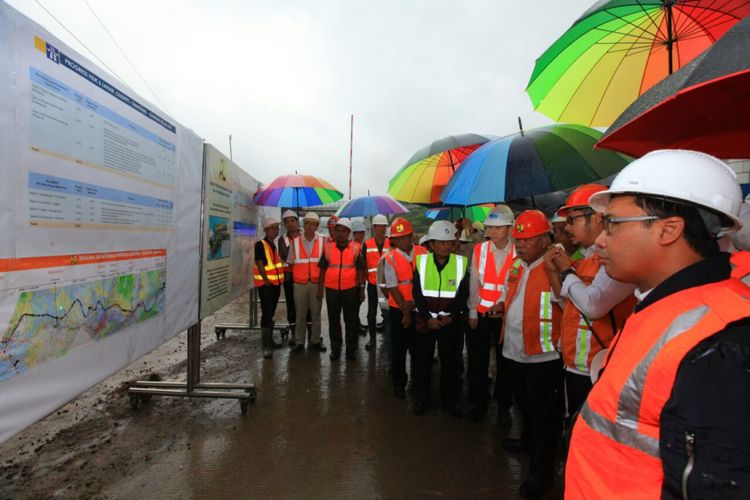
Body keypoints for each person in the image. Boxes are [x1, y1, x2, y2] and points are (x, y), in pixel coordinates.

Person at [565, 150, 750, 499]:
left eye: (612, 224)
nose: (600, 240)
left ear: (668, 229)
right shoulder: (667, 305)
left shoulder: (722, 347)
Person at [544, 184, 637, 423]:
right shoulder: (586, 258)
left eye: (572, 219)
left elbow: (593, 306)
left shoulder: (616, 260)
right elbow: (570, 307)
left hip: (599, 366)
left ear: (595, 218)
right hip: (576, 363)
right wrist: (555, 273)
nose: (566, 227)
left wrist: (566, 271)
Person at [499, 210, 563, 499]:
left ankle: (541, 475)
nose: (520, 244)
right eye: (517, 239)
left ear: (544, 239)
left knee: (544, 419)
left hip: (543, 355)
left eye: (526, 240)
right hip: (514, 350)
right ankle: (527, 441)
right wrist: (501, 306)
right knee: (523, 405)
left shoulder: (555, 266)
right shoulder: (516, 265)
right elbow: (508, 294)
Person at [412, 221, 469, 416]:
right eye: (440, 242)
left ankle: (450, 401)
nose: (445, 246)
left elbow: (463, 295)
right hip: (425, 322)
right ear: (432, 244)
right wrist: (428, 318)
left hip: (449, 324)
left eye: (448, 242)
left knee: (450, 363)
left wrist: (452, 317)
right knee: (422, 363)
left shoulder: (461, 263)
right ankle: (421, 399)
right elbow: (417, 294)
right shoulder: (421, 262)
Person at [466, 204, 515, 424]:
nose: (492, 232)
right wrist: (473, 311)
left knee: (505, 364)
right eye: (490, 227)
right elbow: (474, 283)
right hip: (483, 315)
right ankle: (479, 403)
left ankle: (504, 406)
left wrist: (504, 305)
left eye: (497, 227)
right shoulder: (480, 250)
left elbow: (515, 285)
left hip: (506, 317)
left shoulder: (518, 252)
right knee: (478, 361)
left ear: (509, 228)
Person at [383, 217, 427, 399]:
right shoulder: (389, 258)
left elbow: (427, 280)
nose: (401, 241)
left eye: (405, 237)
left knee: (419, 350)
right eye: (397, 238)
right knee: (399, 349)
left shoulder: (423, 252)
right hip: (398, 310)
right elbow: (392, 286)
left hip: (420, 307)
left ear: (411, 236)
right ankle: (399, 383)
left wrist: (413, 307)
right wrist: (405, 310)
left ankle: (419, 384)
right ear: (393, 240)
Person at [317, 218, 366, 361]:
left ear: (348, 233)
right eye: (337, 231)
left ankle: (351, 350)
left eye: (343, 231)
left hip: (350, 290)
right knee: (334, 321)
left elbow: (361, 270)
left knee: (351, 322)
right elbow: (322, 270)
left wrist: (362, 289)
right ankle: (336, 349)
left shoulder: (356, 248)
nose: (340, 234)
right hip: (332, 290)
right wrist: (320, 289)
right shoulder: (328, 247)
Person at [287, 212, 327, 353]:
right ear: (304, 225)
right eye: (308, 223)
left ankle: (315, 340)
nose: (310, 226)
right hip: (300, 284)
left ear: (317, 226)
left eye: (313, 224)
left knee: (316, 314)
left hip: (316, 283)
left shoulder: (323, 241)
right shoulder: (295, 242)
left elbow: (326, 264)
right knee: (300, 314)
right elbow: (290, 263)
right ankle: (299, 342)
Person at [253, 216, 285, 359]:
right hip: (267, 286)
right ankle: (266, 346)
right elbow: (260, 263)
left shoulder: (273, 245)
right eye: (272, 228)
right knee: (266, 314)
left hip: (275, 285)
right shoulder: (261, 244)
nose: (275, 230)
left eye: (277, 228)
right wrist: (266, 281)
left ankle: (270, 341)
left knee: (271, 313)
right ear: (266, 230)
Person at [364, 214, 391, 351]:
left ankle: (388, 339)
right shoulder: (367, 244)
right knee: (371, 313)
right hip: (373, 285)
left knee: (387, 313)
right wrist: (363, 284)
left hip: (388, 286)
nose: (382, 229)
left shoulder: (391, 243)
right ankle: (372, 340)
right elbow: (363, 266)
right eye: (379, 226)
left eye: (384, 226)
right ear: (374, 227)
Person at [278, 209, 300, 342]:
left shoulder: (304, 236)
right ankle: (293, 333)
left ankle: (307, 333)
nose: (290, 224)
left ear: (297, 222)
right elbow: (285, 255)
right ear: (284, 225)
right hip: (289, 278)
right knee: (291, 306)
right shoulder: (282, 240)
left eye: (292, 221)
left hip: (303, 277)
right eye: (287, 222)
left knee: (306, 306)